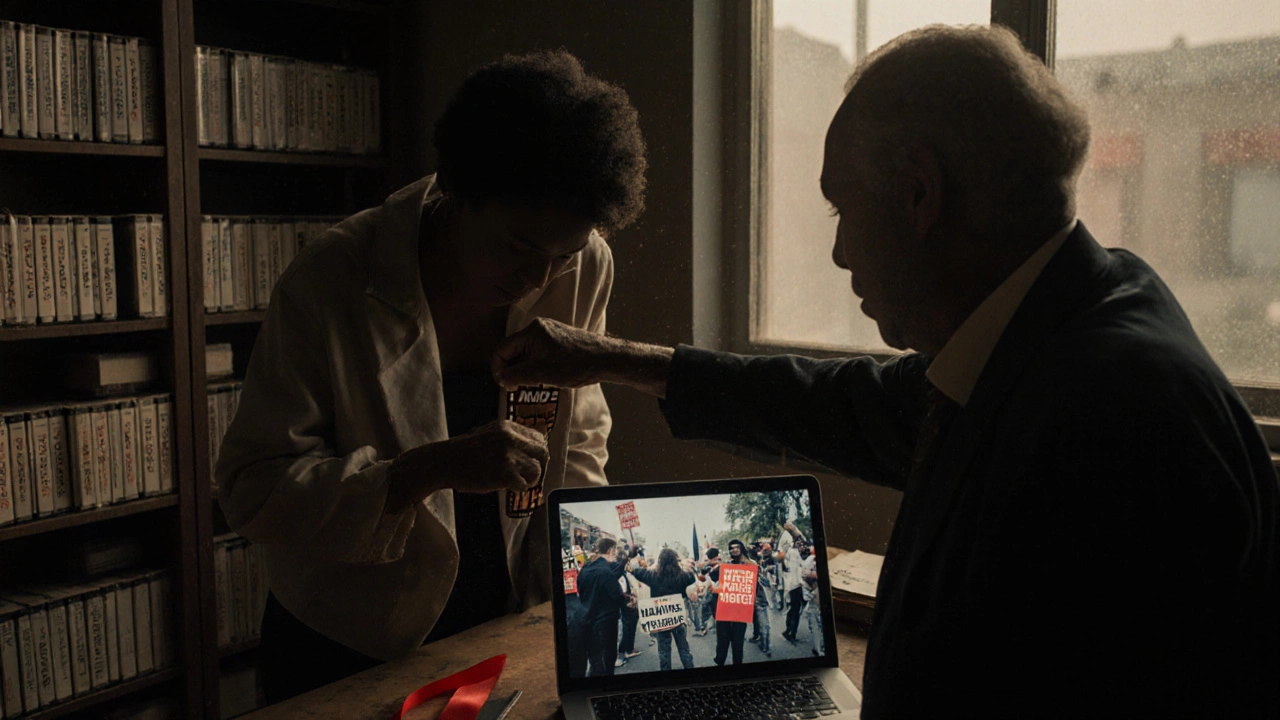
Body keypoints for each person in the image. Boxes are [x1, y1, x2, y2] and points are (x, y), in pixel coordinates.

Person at [491, 25, 1280, 719]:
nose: (837, 253)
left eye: (842, 207)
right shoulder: (1070, 316)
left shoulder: (1110, 423)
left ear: (917, 195)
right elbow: (853, 406)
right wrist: (611, 359)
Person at [214, 49, 647, 703]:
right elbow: (253, 489)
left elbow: (579, 437)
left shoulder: (584, 262)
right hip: (349, 636)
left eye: (564, 256)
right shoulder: (332, 279)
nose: (539, 279)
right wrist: (422, 472)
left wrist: (584, 582)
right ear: (453, 188)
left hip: (502, 614)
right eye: (520, 248)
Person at [631, 548, 697, 670]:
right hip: (678, 618)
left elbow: (636, 571)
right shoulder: (682, 576)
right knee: (684, 649)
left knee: (664, 651)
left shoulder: (652, 576)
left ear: (659, 561)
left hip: (661, 620)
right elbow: (692, 578)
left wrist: (653, 565)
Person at [578, 538, 629, 676]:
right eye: (615, 551)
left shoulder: (585, 570)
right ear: (611, 550)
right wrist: (628, 601)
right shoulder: (605, 573)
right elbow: (617, 596)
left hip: (587, 623)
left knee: (595, 664)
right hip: (606, 626)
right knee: (607, 665)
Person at [709, 539, 753, 665]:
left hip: (740, 609)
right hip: (725, 607)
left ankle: (737, 664)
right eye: (731, 547)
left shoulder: (749, 564)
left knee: (738, 640)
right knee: (722, 638)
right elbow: (716, 581)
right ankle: (720, 661)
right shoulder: (726, 565)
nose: (734, 549)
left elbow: (753, 583)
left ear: (741, 548)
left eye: (737, 547)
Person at [776, 523, 807, 642]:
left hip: (794, 584)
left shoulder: (792, 552)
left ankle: (788, 631)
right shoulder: (792, 552)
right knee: (795, 609)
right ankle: (791, 633)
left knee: (794, 609)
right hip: (795, 584)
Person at [615, 548, 642, 666]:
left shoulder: (623, 574)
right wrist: (629, 597)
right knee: (623, 630)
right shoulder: (616, 574)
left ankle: (628, 649)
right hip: (622, 607)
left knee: (629, 627)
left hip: (627, 605)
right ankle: (622, 652)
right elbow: (620, 591)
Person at [801, 542, 823, 657]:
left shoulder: (810, 560)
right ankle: (818, 648)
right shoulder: (810, 560)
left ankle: (818, 648)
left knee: (816, 623)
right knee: (815, 623)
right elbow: (806, 575)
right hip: (814, 594)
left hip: (815, 594)